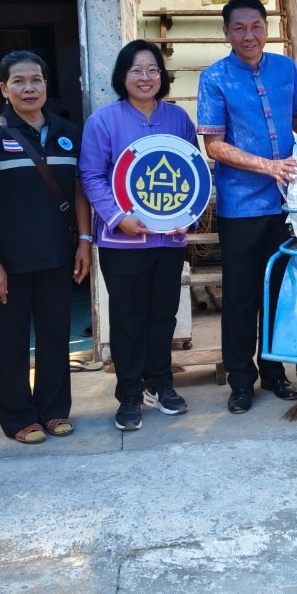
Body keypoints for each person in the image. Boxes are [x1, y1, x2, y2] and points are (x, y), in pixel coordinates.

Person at [197, 0, 297, 415]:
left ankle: (274, 373)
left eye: (256, 26)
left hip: (292, 203)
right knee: (241, 296)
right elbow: (213, 144)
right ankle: (240, 381)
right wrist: (267, 166)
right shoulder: (214, 78)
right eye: (239, 28)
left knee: (279, 290)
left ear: (266, 28)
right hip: (240, 206)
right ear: (226, 32)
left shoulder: (285, 68)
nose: (249, 35)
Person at [0, 51, 91, 443]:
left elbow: (80, 191)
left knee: (56, 334)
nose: (29, 88)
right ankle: (18, 416)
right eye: (18, 81)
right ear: (4, 89)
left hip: (58, 254)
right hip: (10, 258)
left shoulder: (69, 132)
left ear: (46, 85)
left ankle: (54, 411)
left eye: (36, 79)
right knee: (10, 340)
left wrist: (84, 242)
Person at [80, 40, 199, 431]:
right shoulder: (104, 120)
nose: (146, 77)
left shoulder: (179, 119)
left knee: (163, 315)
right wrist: (117, 217)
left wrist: (190, 217)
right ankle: (130, 392)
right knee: (129, 318)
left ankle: (162, 384)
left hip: (169, 240)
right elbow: (92, 175)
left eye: (152, 70)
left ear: (162, 76)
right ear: (123, 76)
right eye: (137, 70)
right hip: (123, 241)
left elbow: (191, 173)